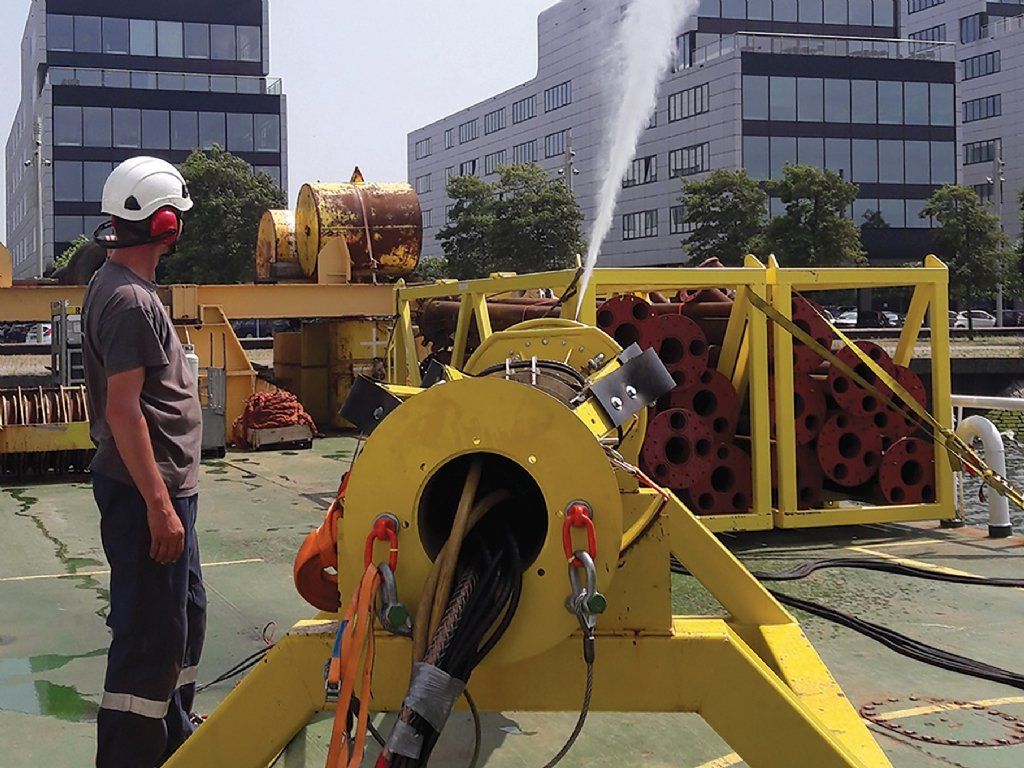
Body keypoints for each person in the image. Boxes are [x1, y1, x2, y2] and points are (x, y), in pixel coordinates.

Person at [82, 157, 206, 768]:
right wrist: (159, 507)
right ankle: (130, 756)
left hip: (164, 488)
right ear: (163, 224)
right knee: (148, 637)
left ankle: (176, 731)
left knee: (184, 617)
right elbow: (125, 411)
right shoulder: (130, 301)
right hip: (145, 494)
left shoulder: (122, 286)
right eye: (175, 216)